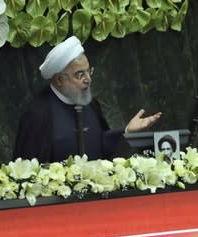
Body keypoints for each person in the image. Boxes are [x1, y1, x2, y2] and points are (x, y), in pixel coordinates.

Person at [13, 36, 161, 162]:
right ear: (59, 80)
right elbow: (28, 168)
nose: (88, 79)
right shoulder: (37, 114)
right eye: (80, 74)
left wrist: (128, 130)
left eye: (88, 71)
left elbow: (101, 144)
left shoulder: (90, 104)